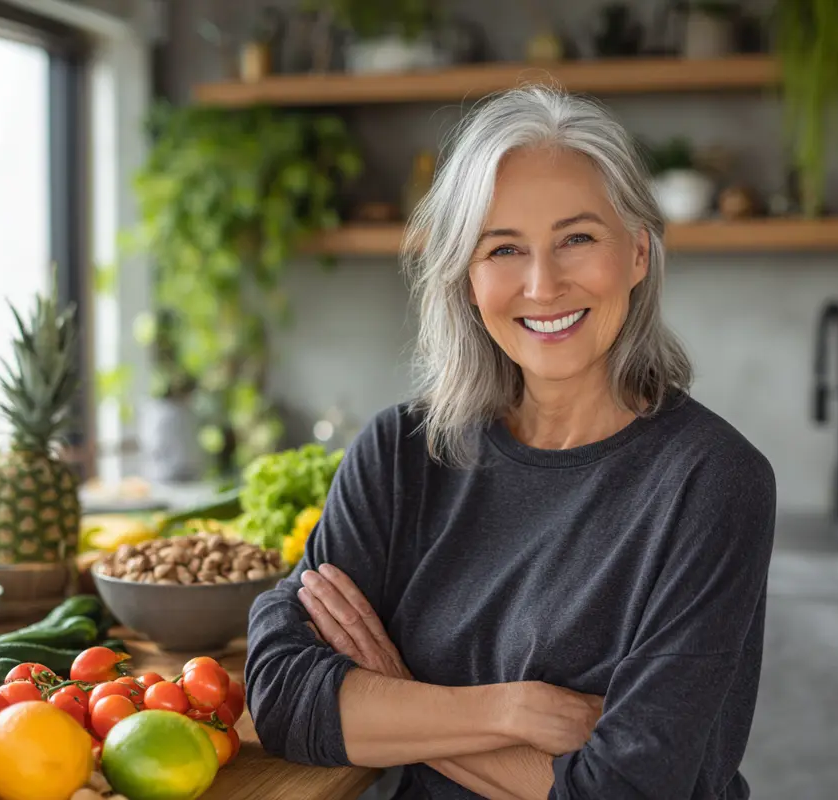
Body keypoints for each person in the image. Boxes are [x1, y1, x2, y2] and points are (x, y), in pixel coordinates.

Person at [245, 85, 776, 800]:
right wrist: (514, 711)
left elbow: (624, 792)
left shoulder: (712, 482)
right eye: (503, 248)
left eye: (577, 239)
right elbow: (280, 695)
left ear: (639, 254)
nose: (542, 283)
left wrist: (396, 694)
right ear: (468, 278)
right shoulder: (401, 452)